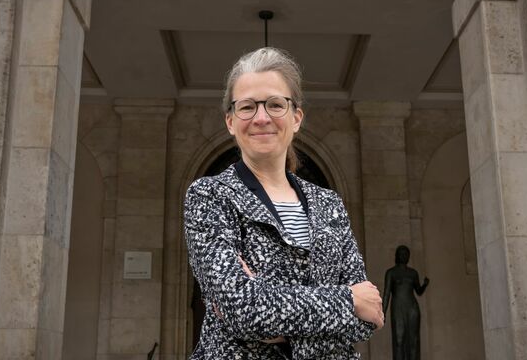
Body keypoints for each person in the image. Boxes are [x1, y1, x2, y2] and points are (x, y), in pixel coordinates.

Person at [183, 47, 383, 359]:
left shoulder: (329, 204)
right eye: (247, 107)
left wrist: (274, 317)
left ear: (296, 117)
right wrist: (347, 300)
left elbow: (368, 319)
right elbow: (245, 311)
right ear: (230, 121)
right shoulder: (209, 196)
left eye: (275, 105)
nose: (262, 118)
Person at [382, 245, 429, 360]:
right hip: (398, 308)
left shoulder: (413, 273)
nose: (403, 256)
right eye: (401, 253)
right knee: (399, 339)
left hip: (412, 308)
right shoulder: (391, 273)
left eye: (406, 254)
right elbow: (387, 294)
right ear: (396, 256)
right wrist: (382, 312)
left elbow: (418, 291)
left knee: (413, 340)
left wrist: (424, 285)